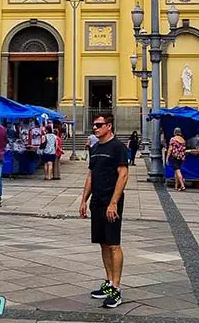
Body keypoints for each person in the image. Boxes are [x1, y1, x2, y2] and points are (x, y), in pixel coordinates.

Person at [80, 113, 129, 309]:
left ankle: (116, 288)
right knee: (102, 243)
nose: (95, 128)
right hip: (97, 201)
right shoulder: (95, 147)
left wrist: (114, 203)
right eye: (94, 125)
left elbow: (123, 175)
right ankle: (109, 283)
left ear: (109, 126)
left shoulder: (118, 147)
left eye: (99, 125)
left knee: (113, 244)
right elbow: (91, 175)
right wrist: (83, 200)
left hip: (111, 203)